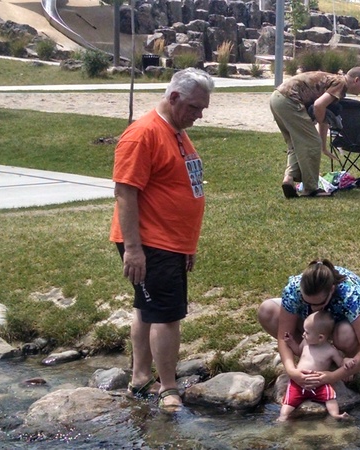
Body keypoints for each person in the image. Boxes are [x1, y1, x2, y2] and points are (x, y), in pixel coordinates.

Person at [110, 68, 214, 412]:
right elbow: (125, 193)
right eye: (195, 108)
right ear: (173, 98)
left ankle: (140, 378)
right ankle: (168, 388)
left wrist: (188, 245)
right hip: (151, 242)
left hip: (171, 242)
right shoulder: (143, 135)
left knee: (147, 307)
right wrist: (134, 249)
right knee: (167, 315)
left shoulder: (177, 132)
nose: (199, 115)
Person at [257, 259, 360, 392]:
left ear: (331, 290)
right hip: (319, 325)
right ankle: (313, 356)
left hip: (353, 321)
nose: (313, 308)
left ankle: (346, 361)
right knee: (267, 311)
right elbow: (284, 335)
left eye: (318, 304)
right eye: (307, 302)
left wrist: (333, 376)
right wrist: (291, 370)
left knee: (345, 334)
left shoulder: (350, 294)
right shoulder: (294, 288)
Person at [270, 67, 360, 199]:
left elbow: (323, 118)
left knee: (296, 142)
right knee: (311, 143)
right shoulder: (341, 84)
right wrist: (318, 141)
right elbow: (318, 106)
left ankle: (289, 179)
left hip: (276, 98)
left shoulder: (334, 82)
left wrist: (323, 146)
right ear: (356, 80)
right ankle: (310, 189)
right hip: (289, 100)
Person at [278, 310, 356, 422]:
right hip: (299, 381)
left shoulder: (330, 351)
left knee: (330, 397)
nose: (303, 334)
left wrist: (347, 361)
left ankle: (335, 414)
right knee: (289, 400)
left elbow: (340, 363)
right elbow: (299, 352)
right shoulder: (305, 342)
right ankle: (283, 416)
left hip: (319, 382)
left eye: (307, 332)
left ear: (320, 337)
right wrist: (291, 342)